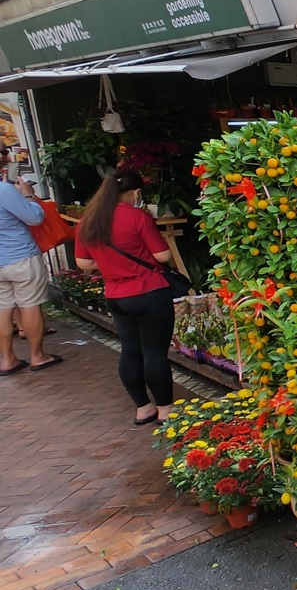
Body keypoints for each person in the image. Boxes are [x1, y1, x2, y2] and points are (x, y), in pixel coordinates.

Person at [74, 170, 176, 424]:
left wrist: (111, 264)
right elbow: (163, 256)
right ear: (134, 193)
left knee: (130, 351)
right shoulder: (137, 216)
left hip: (116, 295)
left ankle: (143, 408)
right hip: (149, 290)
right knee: (154, 353)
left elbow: (83, 262)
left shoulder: (89, 220)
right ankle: (165, 409)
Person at [0, 155, 60, 375]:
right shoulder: (4, 190)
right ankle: (38, 356)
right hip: (21, 257)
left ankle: (7, 360)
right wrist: (27, 195)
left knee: (2, 309)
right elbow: (34, 218)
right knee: (30, 305)